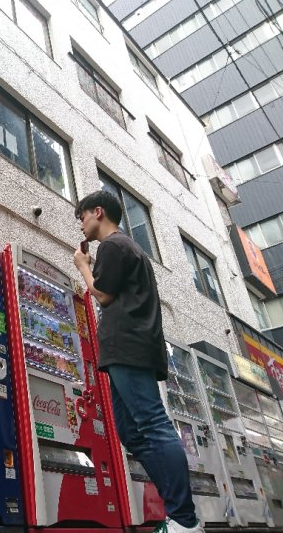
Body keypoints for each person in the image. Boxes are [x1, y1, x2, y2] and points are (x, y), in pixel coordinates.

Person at [72, 190, 203, 533]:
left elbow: (102, 294)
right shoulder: (132, 249)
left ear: (98, 212)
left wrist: (84, 267)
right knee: (130, 431)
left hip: (127, 346)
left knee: (152, 425)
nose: (81, 224)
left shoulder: (113, 246)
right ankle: (177, 511)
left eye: (82, 216)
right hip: (133, 346)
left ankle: (185, 520)